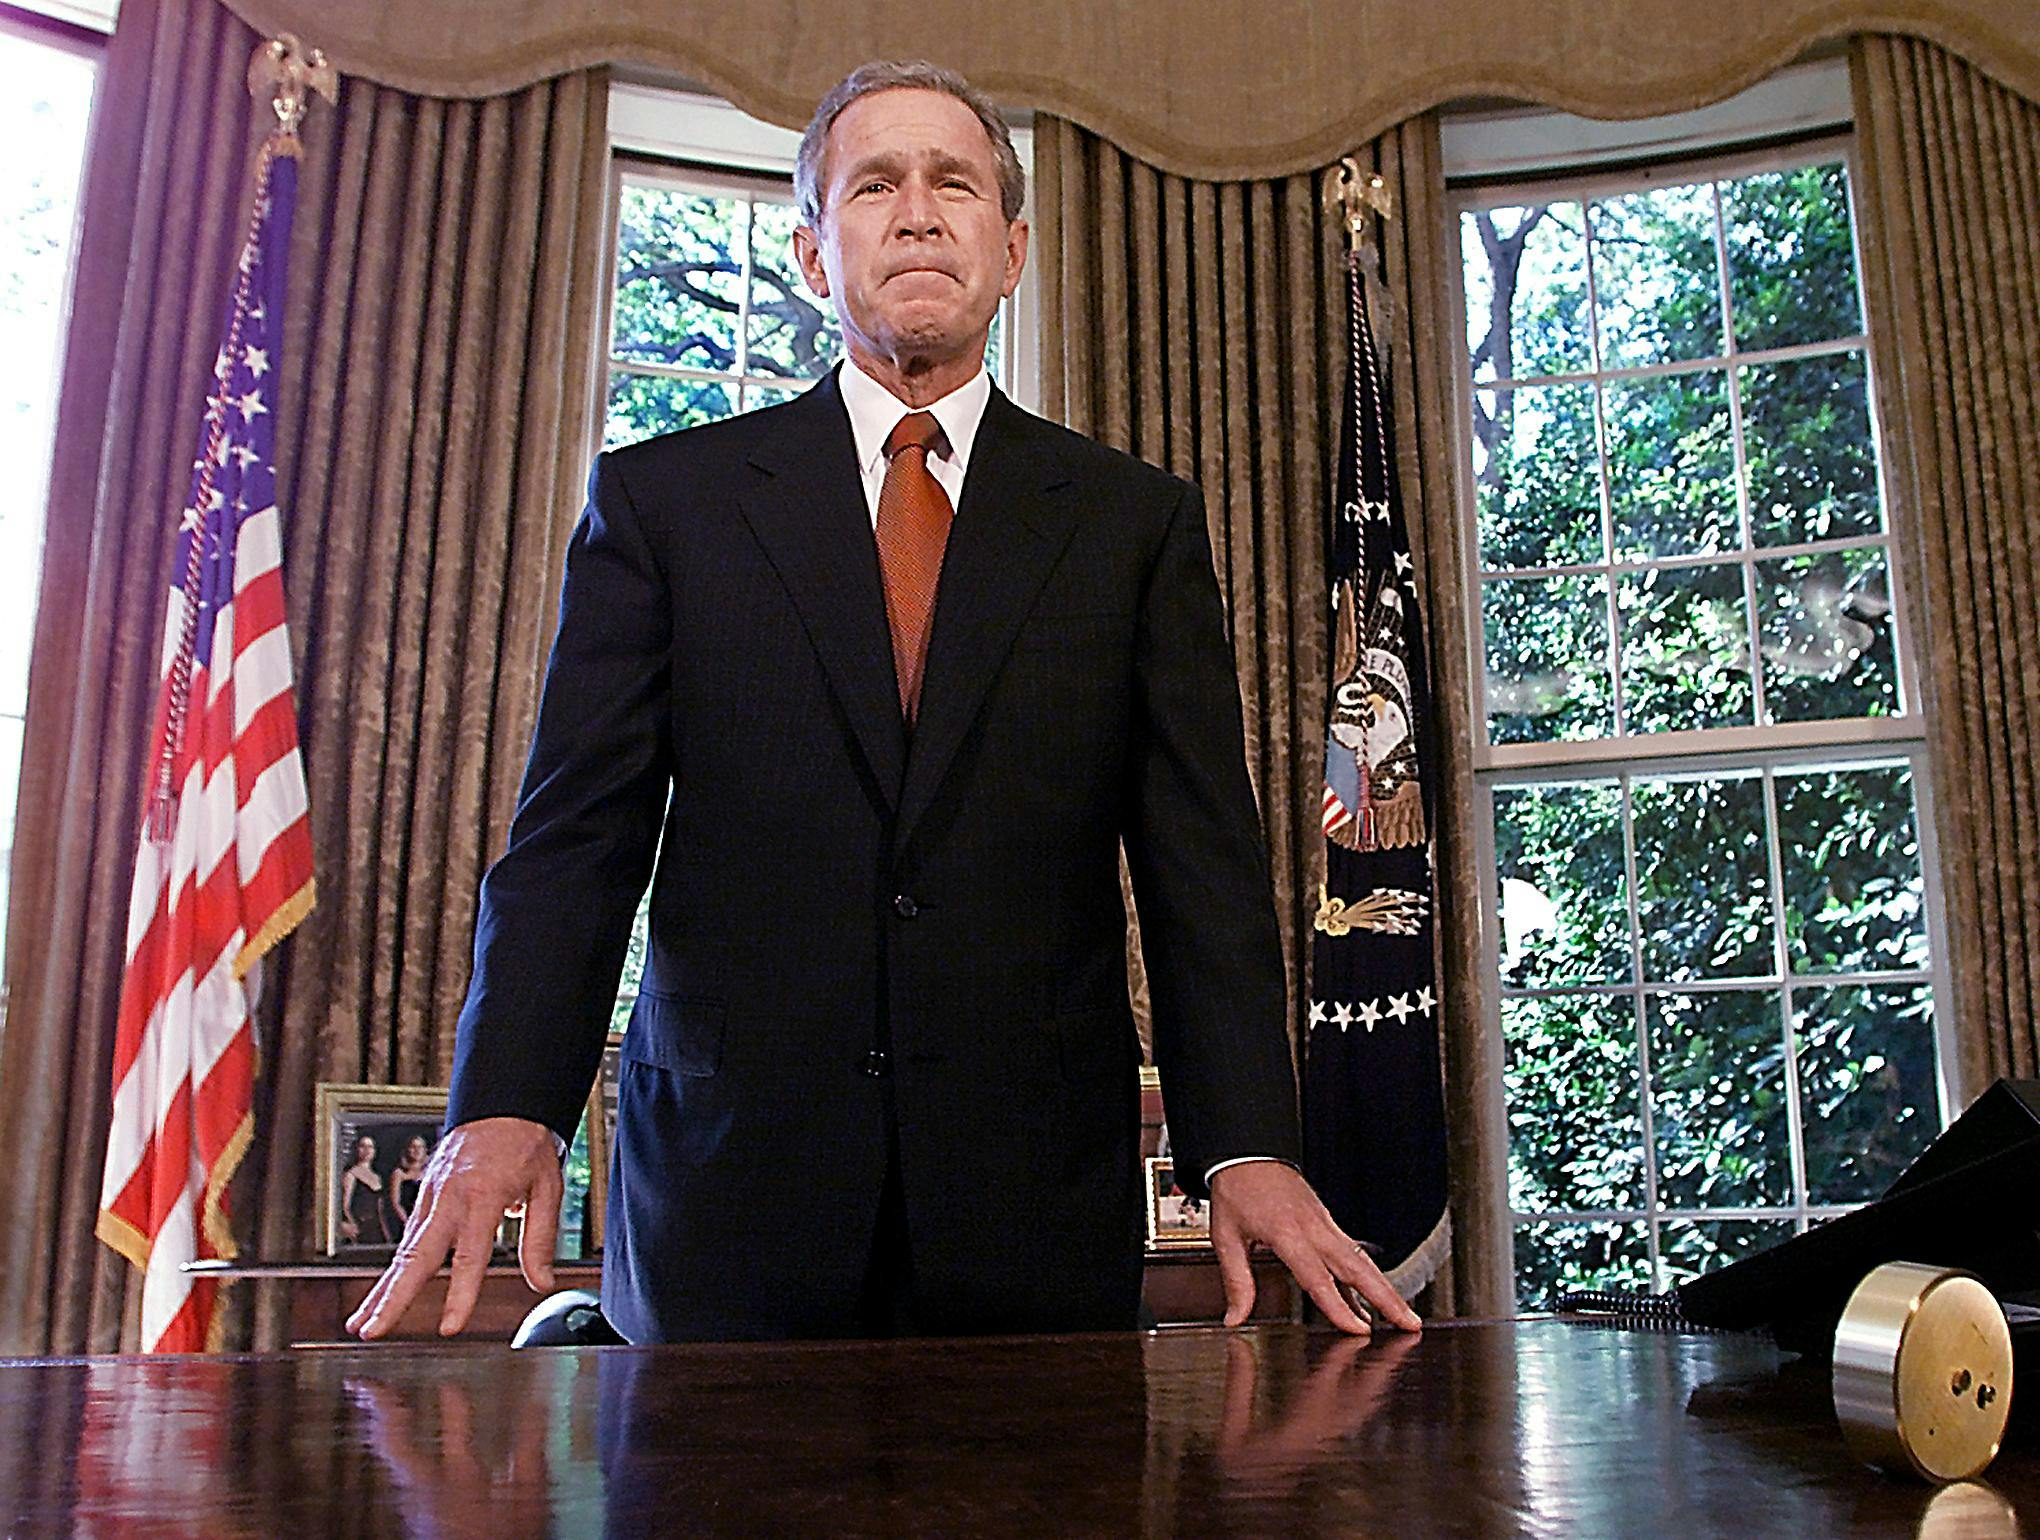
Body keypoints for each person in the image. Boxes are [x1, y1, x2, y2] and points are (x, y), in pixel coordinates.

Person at [349, 59, 1420, 1344]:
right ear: (813, 252)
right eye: (876, 185)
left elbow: (1204, 868)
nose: (918, 212)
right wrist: (509, 1101)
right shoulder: (662, 507)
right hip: (725, 1207)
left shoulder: (1135, 526)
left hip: (1032, 1213)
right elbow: (575, 839)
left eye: (954, 183)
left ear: (1011, 247)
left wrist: (1244, 1140)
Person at [338, 1134, 388, 1247]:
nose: (367, 1150)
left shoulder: (377, 1177)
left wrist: (386, 1233)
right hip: (359, 1226)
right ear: (356, 1149)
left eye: (370, 1147)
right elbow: (345, 1205)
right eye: (363, 1146)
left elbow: (380, 1210)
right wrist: (352, 1225)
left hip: (376, 1227)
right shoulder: (350, 1174)